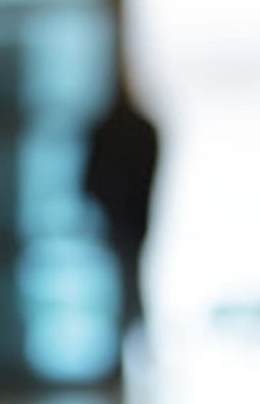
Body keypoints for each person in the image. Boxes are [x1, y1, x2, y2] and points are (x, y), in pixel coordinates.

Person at [81, 66, 161, 353]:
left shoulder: (109, 129)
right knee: (127, 275)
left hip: (118, 216)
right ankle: (132, 336)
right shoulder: (141, 129)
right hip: (127, 216)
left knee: (125, 275)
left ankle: (129, 336)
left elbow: (90, 178)